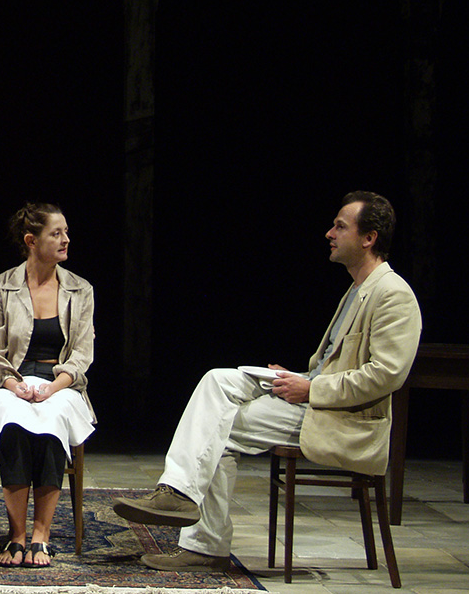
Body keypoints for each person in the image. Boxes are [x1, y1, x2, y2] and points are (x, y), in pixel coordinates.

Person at [111, 191, 422, 572]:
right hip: (315, 398)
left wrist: (312, 388)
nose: (330, 233)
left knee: (218, 430)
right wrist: (299, 377)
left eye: (340, 227)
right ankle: (177, 492)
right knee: (217, 380)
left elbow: (387, 374)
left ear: (369, 238)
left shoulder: (393, 294)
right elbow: (337, 364)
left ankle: (204, 544)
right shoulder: (357, 289)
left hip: (342, 420)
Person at [0, 203, 96, 567]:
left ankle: (41, 536)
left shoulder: (80, 289)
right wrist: (14, 386)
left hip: (61, 384)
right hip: (10, 381)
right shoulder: (0, 287)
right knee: (14, 422)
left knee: (53, 420)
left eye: (66, 232)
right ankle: (17, 536)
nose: (66, 240)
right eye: (56, 233)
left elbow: (82, 354)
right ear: (31, 241)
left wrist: (53, 387)